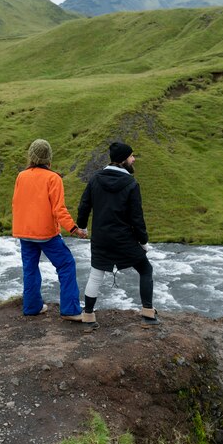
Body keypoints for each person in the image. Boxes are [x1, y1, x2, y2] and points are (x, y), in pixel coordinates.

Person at [77, 141, 159, 331]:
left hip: (101, 238)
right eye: (131, 156)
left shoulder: (96, 178)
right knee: (145, 269)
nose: (134, 159)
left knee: (96, 275)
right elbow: (137, 217)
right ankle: (148, 312)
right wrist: (143, 241)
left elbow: (84, 206)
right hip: (124, 239)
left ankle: (88, 316)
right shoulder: (131, 183)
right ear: (123, 160)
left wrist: (82, 227)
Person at [12, 139, 85, 320]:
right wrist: (74, 229)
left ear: (31, 156)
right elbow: (59, 210)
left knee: (30, 269)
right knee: (66, 265)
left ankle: (31, 307)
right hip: (45, 233)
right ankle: (70, 310)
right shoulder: (54, 178)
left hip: (24, 232)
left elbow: (17, 203)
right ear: (48, 158)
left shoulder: (21, 176)